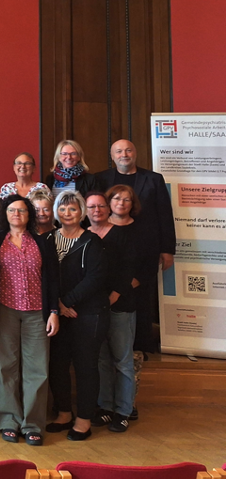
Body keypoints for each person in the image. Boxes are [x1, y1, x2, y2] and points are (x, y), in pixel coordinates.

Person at [0, 195, 59, 446]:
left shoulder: (42, 242)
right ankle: (8, 420)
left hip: (37, 313)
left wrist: (53, 311)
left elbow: (52, 279)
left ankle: (32, 424)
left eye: (21, 210)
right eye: (11, 210)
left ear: (29, 215)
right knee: (5, 366)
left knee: (37, 369)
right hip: (5, 310)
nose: (16, 214)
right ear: (4, 214)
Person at [96, 139, 175, 359]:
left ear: (136, 153)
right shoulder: (101, 179)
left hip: (146, 247)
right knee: (114, 295)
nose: (124, 154)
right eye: (119, 151)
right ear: (112, 156)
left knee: (142, 297)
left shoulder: (153, 179)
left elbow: (164, 215)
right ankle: (111, 349)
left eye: (128, 150)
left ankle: (141, 347)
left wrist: (168, 249)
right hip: (111, 244)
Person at [46, 190, 108, 441]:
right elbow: (46, 277)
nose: (67, 213)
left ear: (82, 212)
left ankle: (83, 419)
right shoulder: (49, 239)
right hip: (58, 315)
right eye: (62, 208)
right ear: (56, 212)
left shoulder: (92, 241)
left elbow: (95, 279)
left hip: (88, 314)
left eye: (73, 209)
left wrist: (66, 302)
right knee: (58, 365)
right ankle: (63, 413)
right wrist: (57, 306)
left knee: (85, 367)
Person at [86, 191, 139, 433]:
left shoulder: (123, 235)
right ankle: (106, 407)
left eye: (100, 206)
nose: (96, 210)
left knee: (123, 361)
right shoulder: (83, 236)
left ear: (108, 209)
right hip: (94, 309)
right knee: (102, 361)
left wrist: (114, 296)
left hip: (119, 306)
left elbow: (130, 269)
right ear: (85, 210)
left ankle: (123, 411)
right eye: (91, 206)